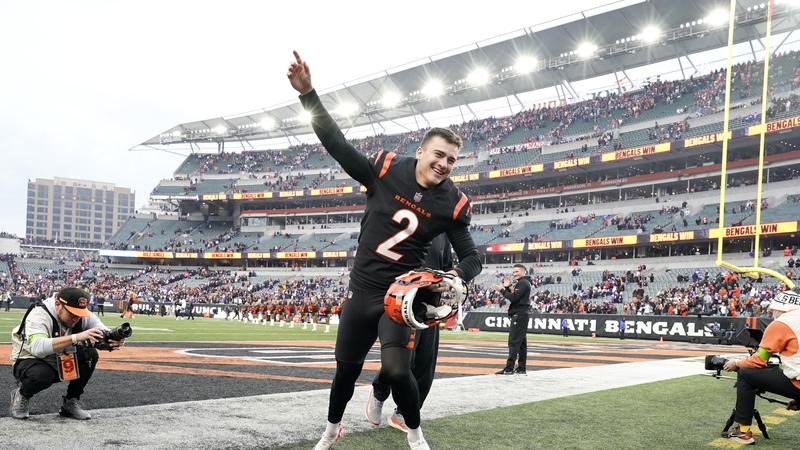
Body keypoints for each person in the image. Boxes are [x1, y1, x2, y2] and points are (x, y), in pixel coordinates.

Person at [288, 50, 482, 450]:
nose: (445, 164)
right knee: (345, 371)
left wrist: (457, 276)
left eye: (452, 159)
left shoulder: (452, 202)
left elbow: (473, 256)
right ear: (422, 150)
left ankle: (415, 433)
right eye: (439, 155)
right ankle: (331, 430)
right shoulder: (384, 168)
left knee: (396, 370)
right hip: (361, 289)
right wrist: (309, 94)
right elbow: (338, 145)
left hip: (400, 296)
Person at [366, 233, 454, 432]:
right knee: (403, 360)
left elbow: (448, 267)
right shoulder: (405, 220)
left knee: (425, 365)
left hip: (431, 306)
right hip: (401, 302)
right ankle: (380, 390)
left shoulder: (443, 233)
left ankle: (403, 414)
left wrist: (447, 280)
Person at [9, 286, 126, 420]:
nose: (76, 318)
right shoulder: (39, 313)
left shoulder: (80, 315)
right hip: (31, 358)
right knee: (41, 375)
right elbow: (38, 348)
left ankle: (70, 402)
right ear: (58, 304)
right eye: (72, 313)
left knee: (90, 354)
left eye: (79, 314)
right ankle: (22, 395)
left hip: (59, 356)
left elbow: (104, 332)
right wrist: (76, 337)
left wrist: (116, 341)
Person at [720, 289, 800, 444]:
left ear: (780, 308)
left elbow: (758, 361)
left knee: (745, 374)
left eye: (773, 311)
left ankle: (743, 432)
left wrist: (736, 364)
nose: (772, 315)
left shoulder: (782, 322)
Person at [492, 264, 531, 375]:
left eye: (517, 271)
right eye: (513, 272)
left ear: (524, 271)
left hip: (519, 314)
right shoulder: (524, 282)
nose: (514, 274)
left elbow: (513, 298)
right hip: (522, 314)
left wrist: (502, 290)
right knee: (522, 342)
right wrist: (508, 288)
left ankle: (509, 368)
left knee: (513, 342)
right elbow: (515, 297)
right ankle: (521, 368)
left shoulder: (523, 283)